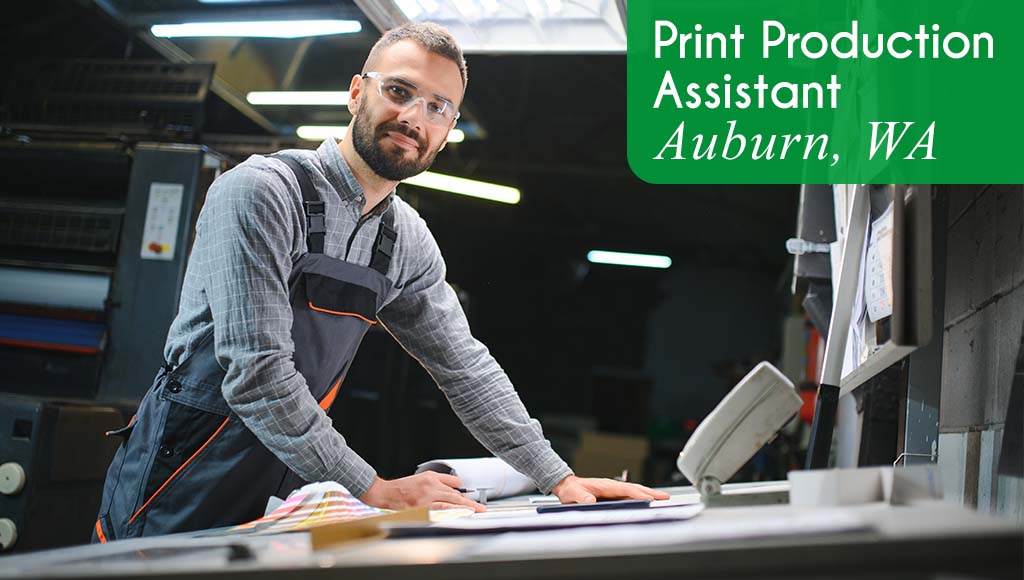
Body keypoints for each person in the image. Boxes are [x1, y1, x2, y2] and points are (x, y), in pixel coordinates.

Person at [92, 22, 666, 542]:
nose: (416, 118)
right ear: (356, 92)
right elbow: (258, 376)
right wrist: (373, 488)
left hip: (286, 479)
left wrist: (558, 478)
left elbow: (465, 369)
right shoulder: (262, 192)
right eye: (399, 91)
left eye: (439, 107)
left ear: (447, 131)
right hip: (179, 472)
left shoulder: (404, 239)